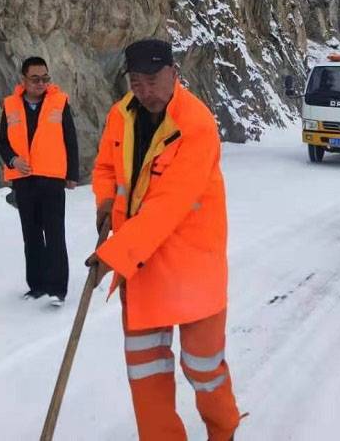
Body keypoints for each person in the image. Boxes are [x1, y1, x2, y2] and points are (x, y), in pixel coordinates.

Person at [86, 39, 241, 441]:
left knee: (203, 367)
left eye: (152, 80)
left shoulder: (196, 125)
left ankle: (223, 431)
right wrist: (105, 202)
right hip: (142, 265)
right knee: (146, 370)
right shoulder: (121, 115)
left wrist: (112, 256)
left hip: (191, 265)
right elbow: (105, 167)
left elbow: (167, 207)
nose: (145, 91)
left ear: (173, 73)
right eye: (136, 82)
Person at [0, 56, 79, 306]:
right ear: (24, 79)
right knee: (31, 234)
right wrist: (12, 161)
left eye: (45, 78)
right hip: (24, 179)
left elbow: (70, 139)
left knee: (54, 233)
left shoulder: (59, 103)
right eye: (35, 79)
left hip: (52, 178)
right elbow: (2, 142)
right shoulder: (10, 105)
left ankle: (57, 289)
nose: (41, 83)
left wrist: (72, 174)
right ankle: (37, 285)